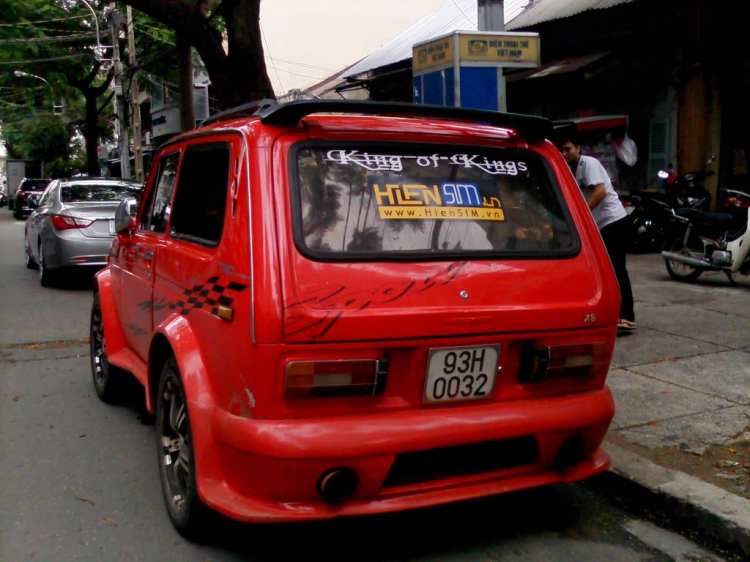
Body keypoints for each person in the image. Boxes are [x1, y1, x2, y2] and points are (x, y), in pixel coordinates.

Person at [559, 132, 636, 331]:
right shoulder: (570, 170)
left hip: (614, 221)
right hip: (600, 225)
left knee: (618, 268)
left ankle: (628, 315)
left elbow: (600, 192)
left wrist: (580, 214)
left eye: (568, 149)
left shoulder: (588, 163)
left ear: (578, 148)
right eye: (562, 150)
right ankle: (610, 313)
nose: (564, 153)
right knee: (601, 270)